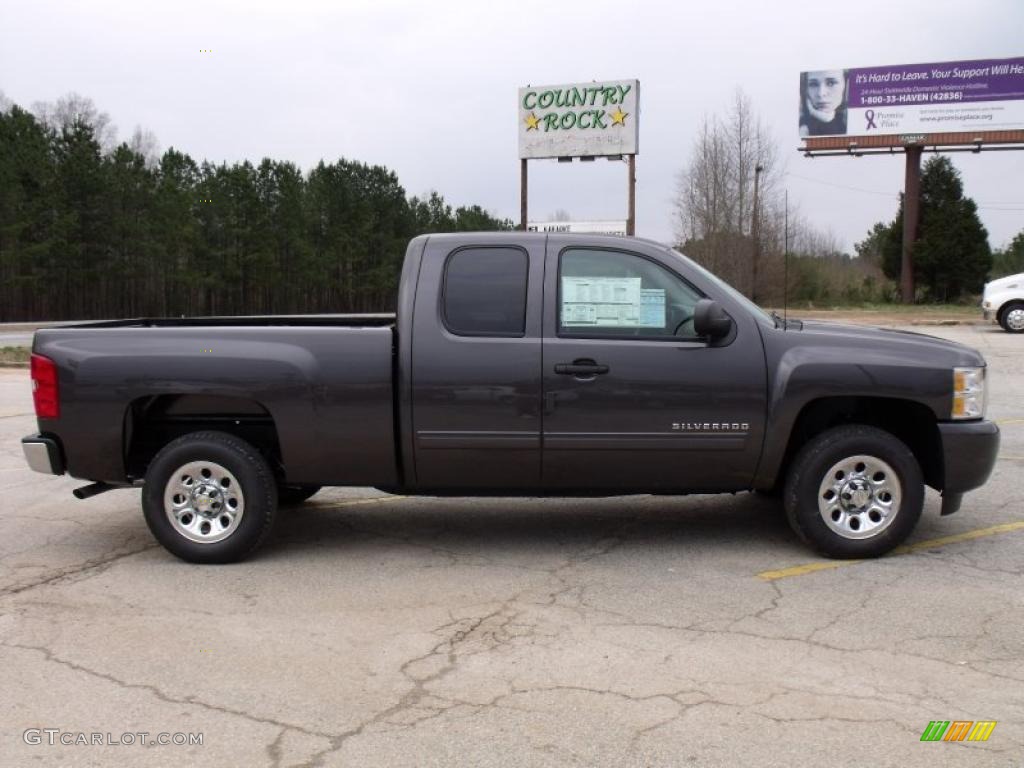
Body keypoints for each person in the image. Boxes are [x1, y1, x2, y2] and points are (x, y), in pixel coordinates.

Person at [799, 70, 849, 137]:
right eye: (813, 84)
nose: (821, 93)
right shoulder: (802, 129)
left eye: (831, 83)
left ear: (846, 85)